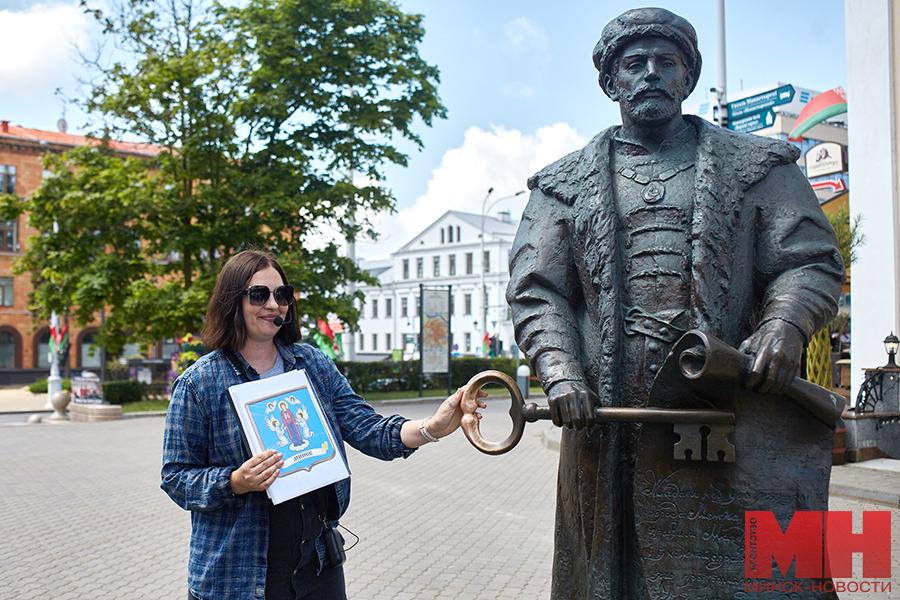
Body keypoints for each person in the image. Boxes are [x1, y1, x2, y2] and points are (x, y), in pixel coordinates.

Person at [506, 8, 845, 599]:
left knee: (742, 571)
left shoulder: (761, 166)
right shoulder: (559, 186)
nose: (651, 75)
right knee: (619, 572)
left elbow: (808, 261)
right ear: (611, 83)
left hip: (726, 404)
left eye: (668, 62)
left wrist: (785, 325)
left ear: (689, 77)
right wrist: (560, 374)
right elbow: (539, 291)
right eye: (633, 65)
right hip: (610, 419)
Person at [161, 250, 485, 600]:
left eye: (282, 295)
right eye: (259, 295)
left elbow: (368, 428)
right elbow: (177, 477)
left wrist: (433, 427)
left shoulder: (312, 364)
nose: (274, 304)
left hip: (317, 566)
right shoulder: (199, 384)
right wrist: (236, 481)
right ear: (231, 301)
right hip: (239, 575)